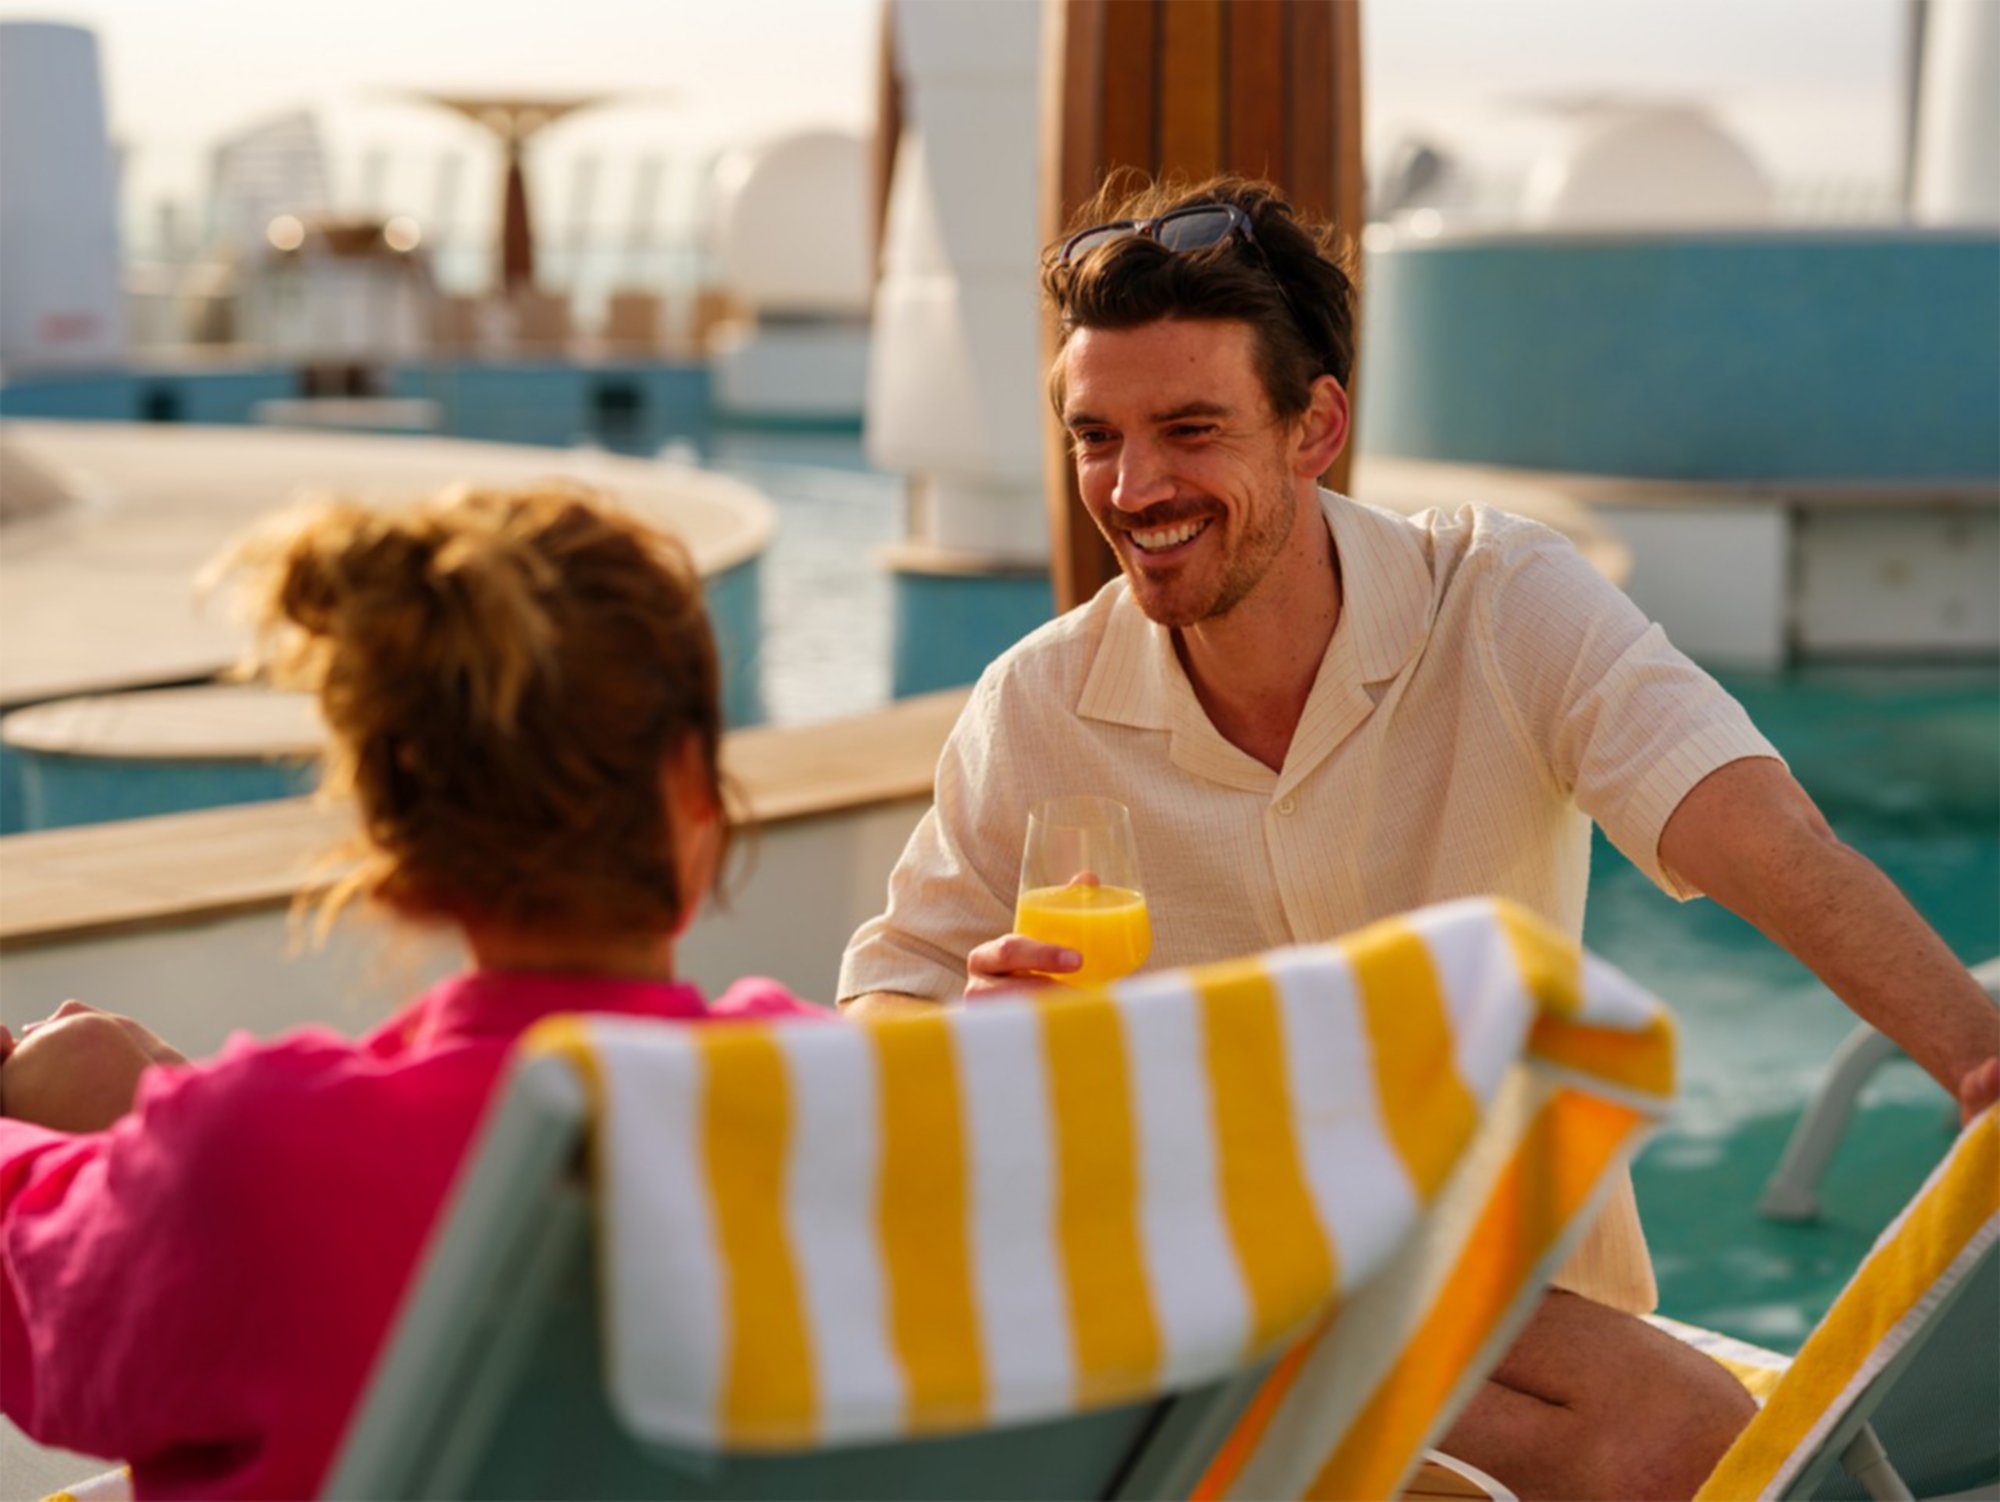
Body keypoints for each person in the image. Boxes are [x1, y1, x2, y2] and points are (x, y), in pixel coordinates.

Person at [838, 175, 2000, 1500]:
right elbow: (883, 1006)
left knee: (1683, 1436)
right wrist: (959, 1038)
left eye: (1190, 428)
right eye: (1095, 436)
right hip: (1194, 1309)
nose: (1134, 485)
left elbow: (1763, 838)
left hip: (1505, 1308)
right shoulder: (1036, 706)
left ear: (1314, 425)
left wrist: (1977, 1060)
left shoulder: (1501, 602)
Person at [0, 482, 826, 1500]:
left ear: (392, 846)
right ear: (695, 788)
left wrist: (111, 1131)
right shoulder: (838, 1103)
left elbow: (49, 1313)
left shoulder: (252, 1162)